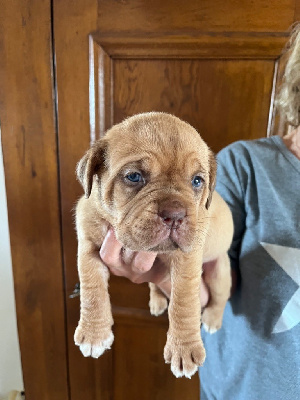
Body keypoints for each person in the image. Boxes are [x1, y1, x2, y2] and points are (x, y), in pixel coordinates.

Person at [99, 25, 300, 399]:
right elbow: (215, 278)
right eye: (135, 176)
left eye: (194, 181)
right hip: (242, 388)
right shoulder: (246, 164)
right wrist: (162, 272)